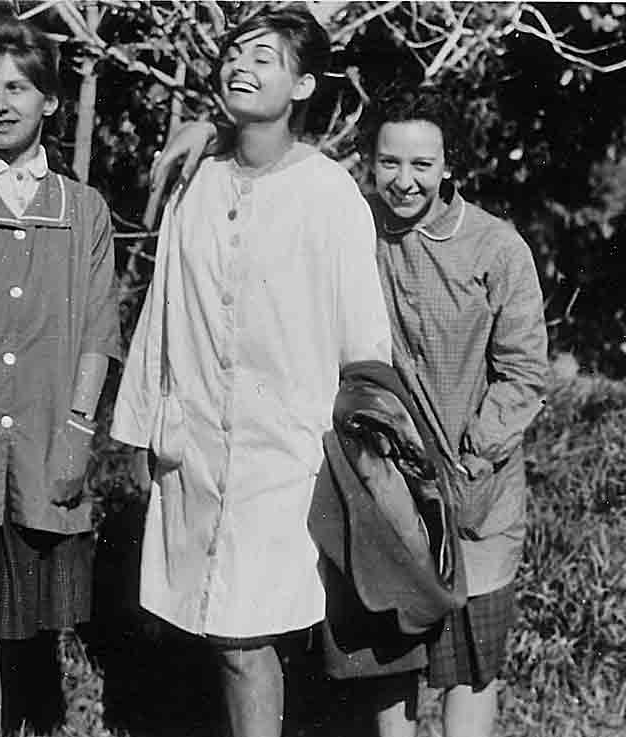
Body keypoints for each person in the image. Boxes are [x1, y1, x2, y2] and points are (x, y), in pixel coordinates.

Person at [151, 83, 549, 736]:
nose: (404, 180)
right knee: (390, 658)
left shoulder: (496, 249)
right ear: (370, 161)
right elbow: (276, 156)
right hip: (383, 487)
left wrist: (467, 463)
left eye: (422, 164)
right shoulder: (349, 223)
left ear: (450, 164)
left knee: (470, 665)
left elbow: (525, 373)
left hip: (477, 492)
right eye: (389, 162)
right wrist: (211, 130)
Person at [110, 5, 392, 737]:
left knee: (244, 636)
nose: (241, 65)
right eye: (235, 52)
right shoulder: (198, 184)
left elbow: (364, 339)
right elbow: (164, 310)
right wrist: (142, 431)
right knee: (220, 631)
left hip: (288, 455)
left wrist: (364, 453)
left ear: (303, 85)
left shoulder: (329, 193)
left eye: (265, 58)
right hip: (197, 444)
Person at [0, 19, 120, 737]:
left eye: (18, 88)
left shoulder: (83, 208)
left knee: (28, 632)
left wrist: (77, 428)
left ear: (50, 100)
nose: (1, 103)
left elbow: (98, 328)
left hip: (44, 446)